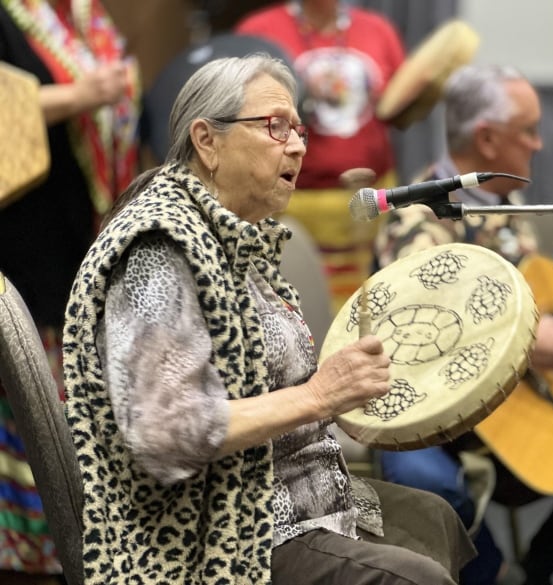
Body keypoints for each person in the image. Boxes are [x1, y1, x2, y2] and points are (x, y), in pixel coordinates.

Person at [62, 52, 475, 585]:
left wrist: (351, 389)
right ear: (207, 140)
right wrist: (321, 395)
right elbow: (167, 434)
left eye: (300, 129)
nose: (299, 145)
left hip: (281, 493)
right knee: (417, 576)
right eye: (276, 127)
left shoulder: (233, 235)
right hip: (215, 532)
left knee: (438, 519)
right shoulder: (159, 246)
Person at [373, 64, 553, 585]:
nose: (538, 144)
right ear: (487, 139)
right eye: (528, 130)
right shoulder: (416, 217)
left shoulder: (509, 203)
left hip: (517, 400)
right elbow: (420, 335)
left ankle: (539, 570)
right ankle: (492, 572)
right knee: (432, 487)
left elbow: (538, 292)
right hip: (439, 417)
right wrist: (530, 344)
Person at [0, 0, 139, 581]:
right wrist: (88, 94)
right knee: (22, 381)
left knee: (63, 386)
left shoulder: (82, 16)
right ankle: (26, 547)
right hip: (17, 225)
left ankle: (67, 537)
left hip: (74, 227)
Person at [235, 0, 406, 314]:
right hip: (292, 207)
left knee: (370, 309)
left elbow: (399, 109)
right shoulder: (258, 32)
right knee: (297, 308)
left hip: (366, 207)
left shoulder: (378, 31)